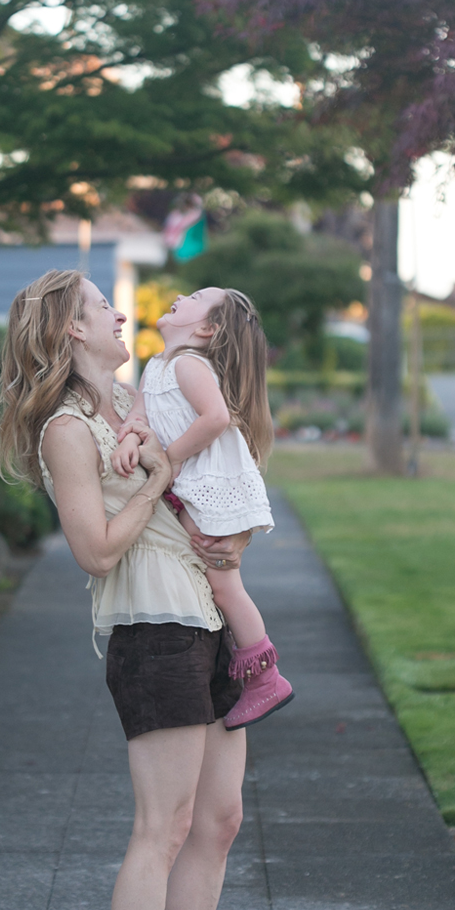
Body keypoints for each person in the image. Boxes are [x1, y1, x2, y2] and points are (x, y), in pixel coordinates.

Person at [0, 269, 253, 910]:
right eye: (102, 306)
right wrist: (158, 482)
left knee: (219, 820)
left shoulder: (137, 396)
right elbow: (97, 550)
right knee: (163, 826)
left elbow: (222, 455)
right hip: (154, 629)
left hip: (206, 617)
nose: (119, 312)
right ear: (72, 330)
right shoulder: (67, 428)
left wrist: (227, 539)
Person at [111, 287, 294, 729]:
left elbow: (216, 418)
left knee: (222, 581)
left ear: (207, 328)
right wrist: (131, 439)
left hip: (212, 481)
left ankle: (265, 679)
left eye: (193, 297)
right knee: (212, 573)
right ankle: (248, 670)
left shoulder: (189, 365)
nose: (177, 294)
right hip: (194, 484)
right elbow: (138, 415)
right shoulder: (157, 365)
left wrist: (168, 461)